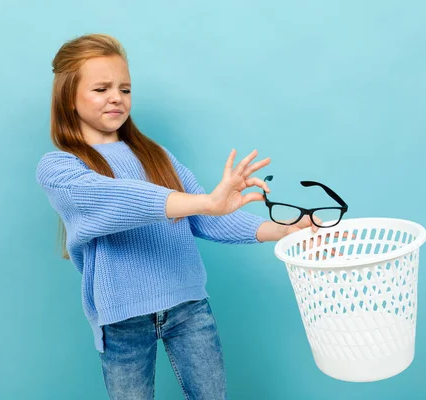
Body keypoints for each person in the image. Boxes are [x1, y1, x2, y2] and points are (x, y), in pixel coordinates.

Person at [36, 33, 319, 400]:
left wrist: (283, 230)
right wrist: (204, 201)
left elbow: (209, 219)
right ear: (69, 98)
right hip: (122, 321)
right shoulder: (60, 167)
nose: (116, 98)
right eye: (101, 88)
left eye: (125, 88)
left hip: (189, 308)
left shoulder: (157, 156)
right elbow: (119, 200)